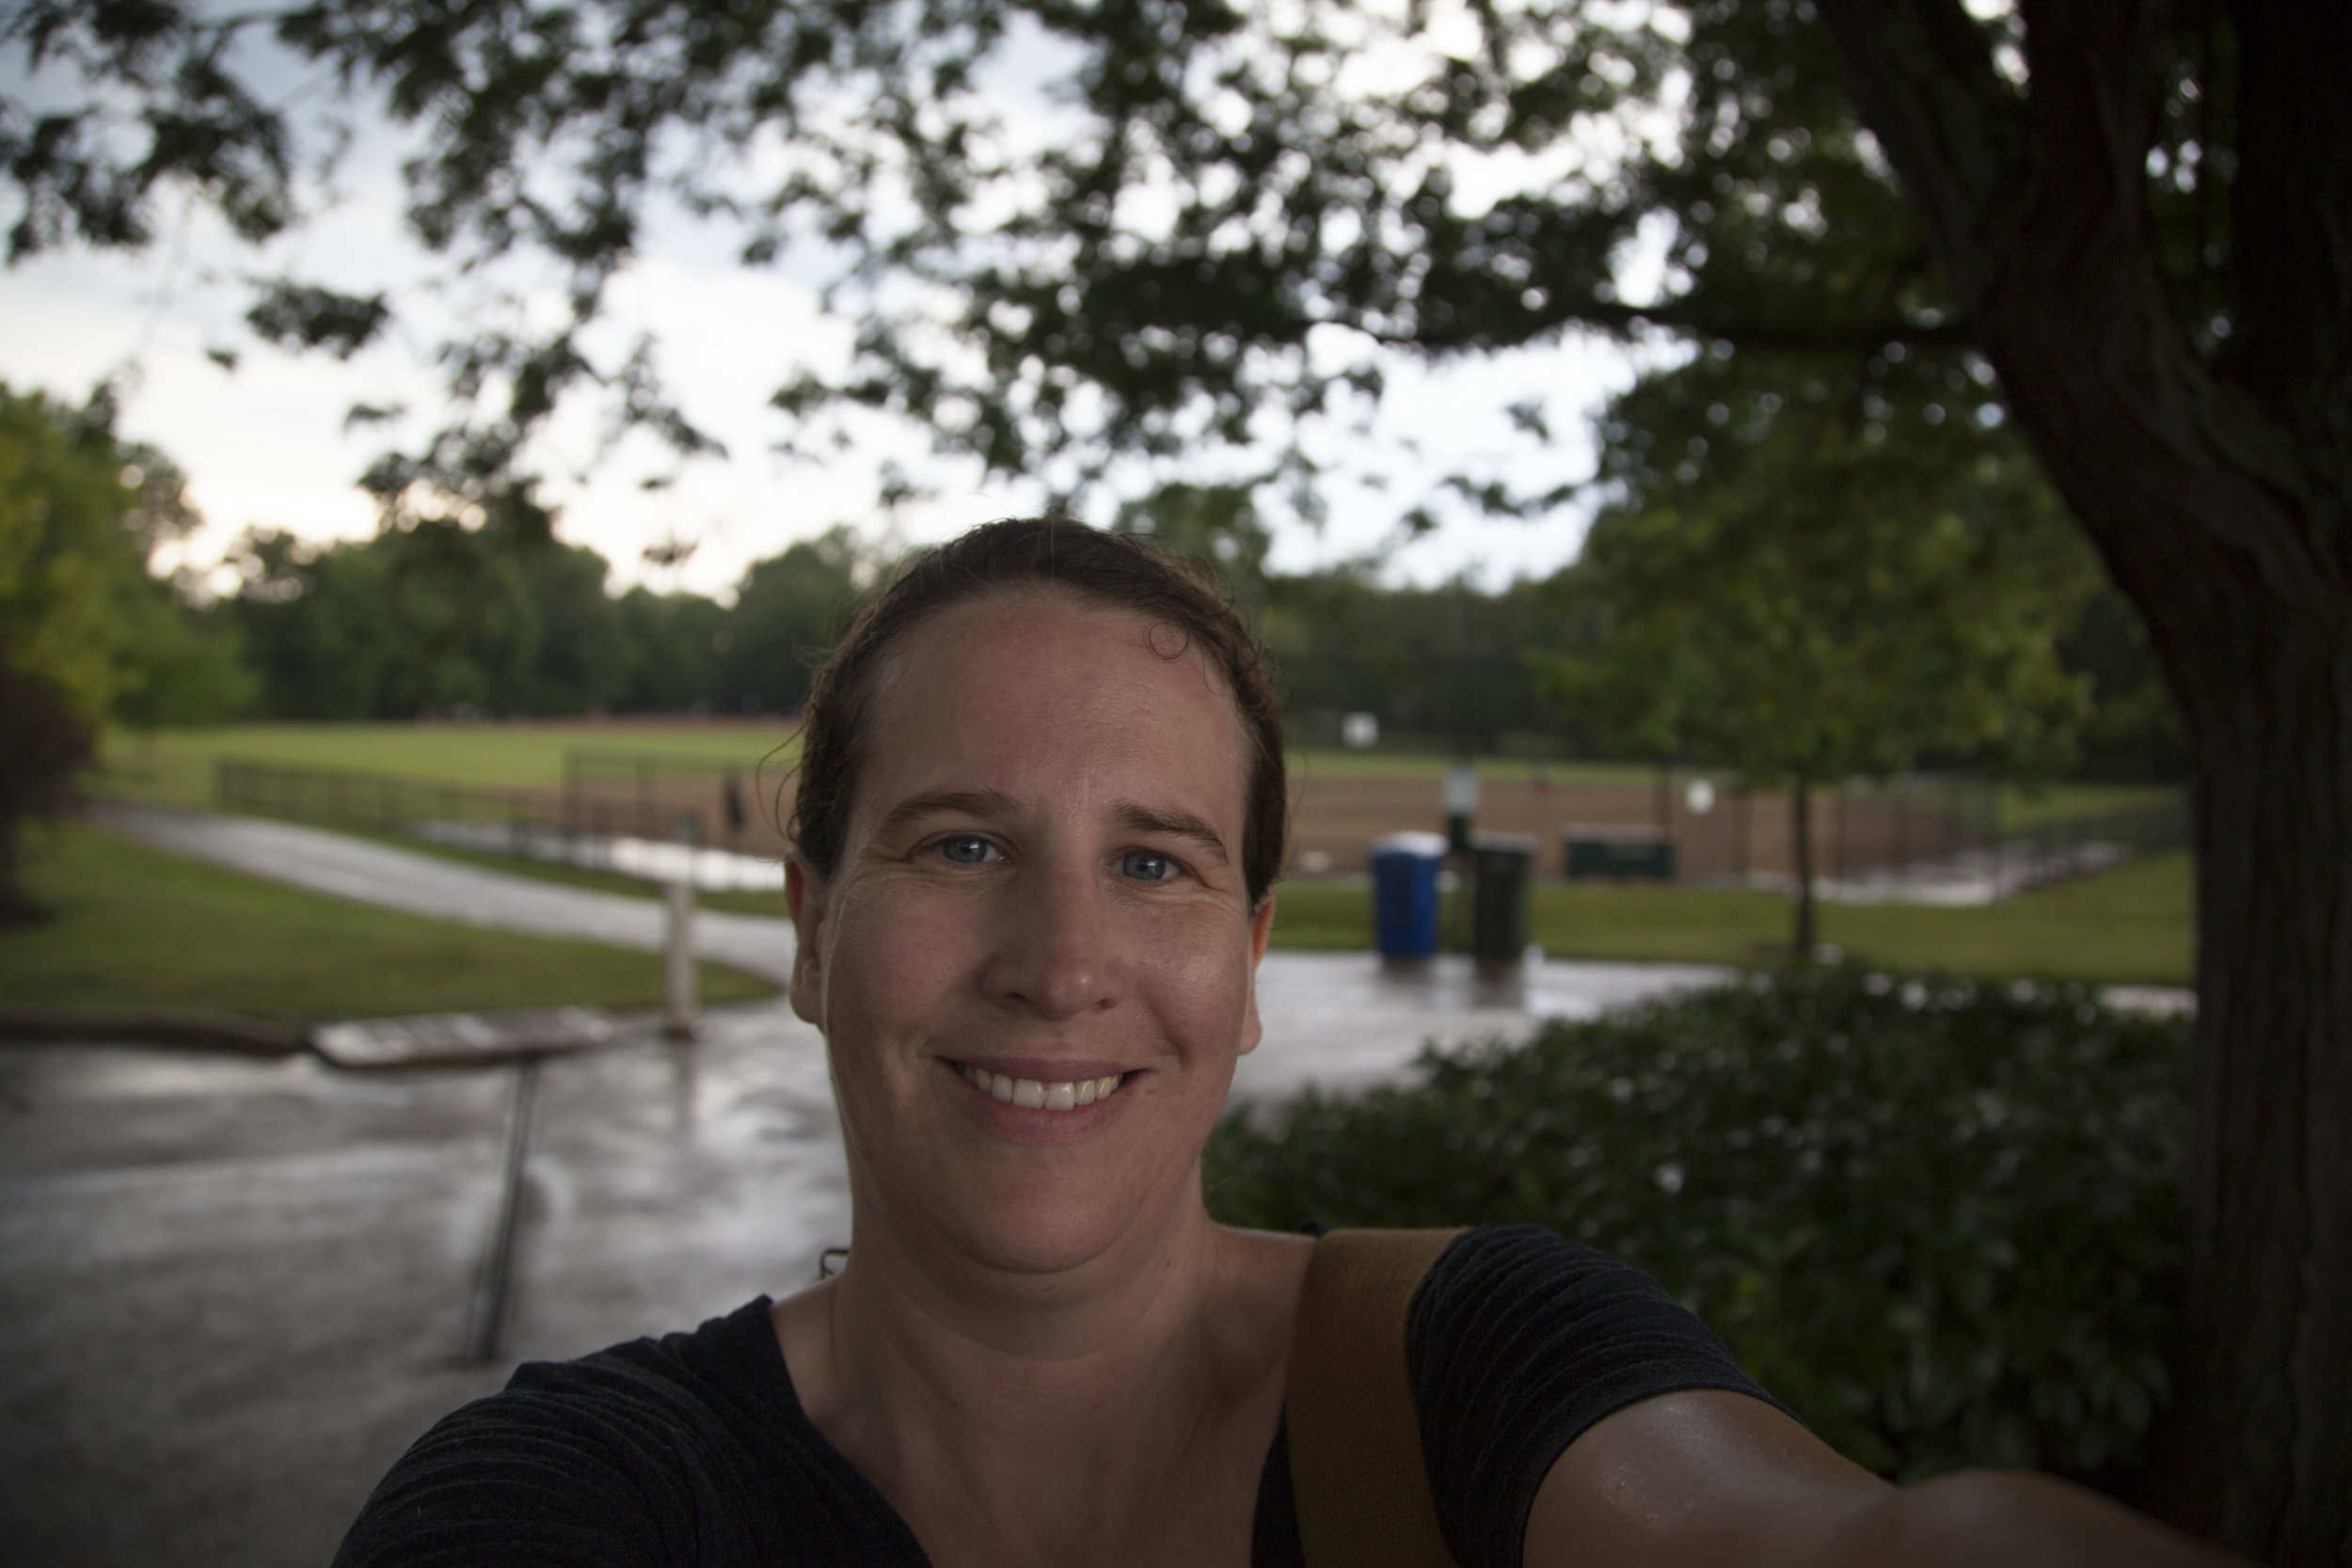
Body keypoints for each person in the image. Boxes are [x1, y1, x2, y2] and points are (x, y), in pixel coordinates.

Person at [337, 517, 2232, 1568]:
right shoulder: (585, 1497)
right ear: (815, 925)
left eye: (1151, 863)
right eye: (964, 843)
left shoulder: (1472, 1370)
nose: (1062, 960)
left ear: (1245, 964)